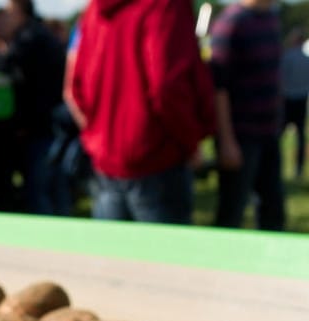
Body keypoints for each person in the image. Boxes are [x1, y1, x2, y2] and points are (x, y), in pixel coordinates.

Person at [70, 0, 215, 225]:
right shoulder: (165, 6)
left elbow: (78, 85)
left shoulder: (95, 12)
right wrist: (190, 140)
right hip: (157, 159)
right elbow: (167, 87)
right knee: (165, 257)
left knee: (111, 256)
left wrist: (98, 133)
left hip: (106, 160)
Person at [210, 0, 285, 230]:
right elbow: (218, 88)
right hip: (241, 135)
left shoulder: (271, 19)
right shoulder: (231, 23)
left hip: (269, 132)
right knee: (232, 213)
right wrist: (226, 140)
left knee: (273, 210)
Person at [0, 0, 68, 214]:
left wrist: (2, 48)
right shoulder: (39, 34)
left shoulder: (29, 37)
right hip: (50, 121)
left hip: (41, 126)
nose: (6, 18)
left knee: (39, 192)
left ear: (19, 13)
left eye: (9, 12)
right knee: (55, 190)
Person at [281, 29, 309, 180]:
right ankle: (299, 169)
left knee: (280, 137)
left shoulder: (287, 58)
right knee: (301, 137)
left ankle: (278, 167)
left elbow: (280, 79)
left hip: (288, 101)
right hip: (302, 100)